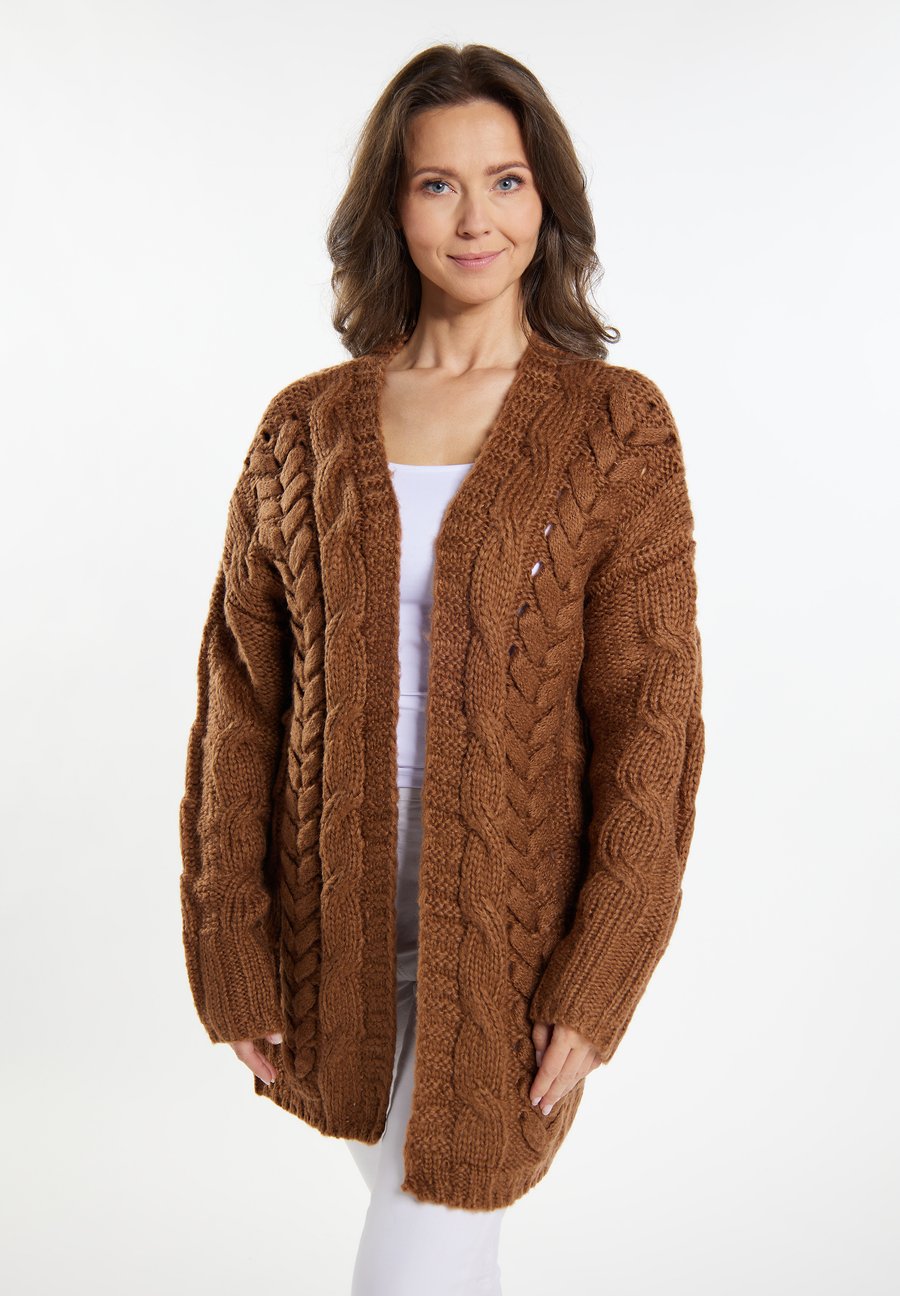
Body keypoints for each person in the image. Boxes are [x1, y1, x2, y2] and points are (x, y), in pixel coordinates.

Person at [178, 42, 705, 1296]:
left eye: (507, 180)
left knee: (421, 1248)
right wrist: (228, 943)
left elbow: (654, 717)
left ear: (546, 199)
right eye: (437, 184)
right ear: (392, 205)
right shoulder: (305, 426)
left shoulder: (615, 424)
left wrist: (604, 965)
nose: (477, 219)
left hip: (515, 932)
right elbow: (240, 704)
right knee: (444, 1254)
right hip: (330, 931)